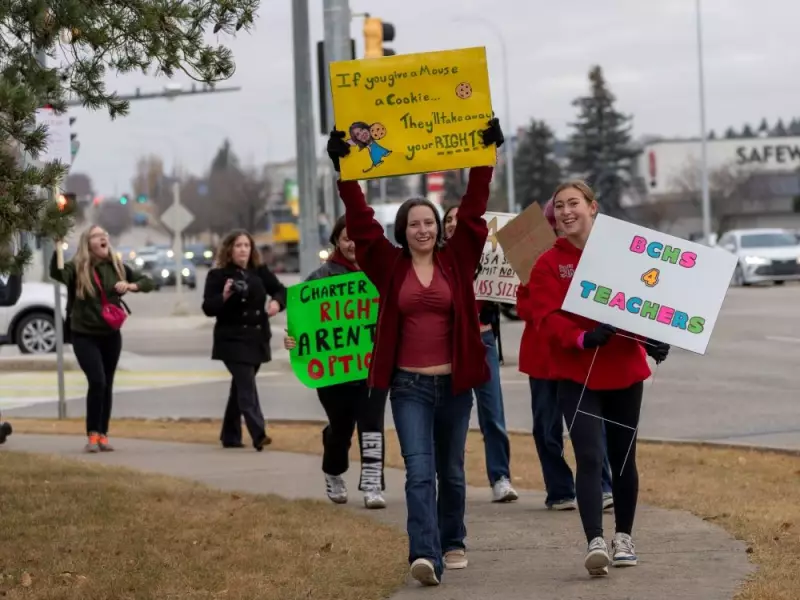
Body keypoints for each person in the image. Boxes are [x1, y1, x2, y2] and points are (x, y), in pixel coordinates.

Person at [326, 118, 504, 587]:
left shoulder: (458, 257)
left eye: (429, 222)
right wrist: (345, 169)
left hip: (455, 385)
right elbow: (361, 223)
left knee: (451, 470)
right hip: (408, 386)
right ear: (402, 230)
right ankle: (424, 555)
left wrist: (483, 160)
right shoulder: (387, 265)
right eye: (414, 224)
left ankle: (454, 539)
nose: (423, 229)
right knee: (419, 473)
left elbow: (472, 211)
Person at [527, 181, 670, 577]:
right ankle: (595, 540)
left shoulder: (621, 256)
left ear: (593, 207)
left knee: (623, 458)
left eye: (574, 203)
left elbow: (641, 302)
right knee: (589, 455)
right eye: (559, 206)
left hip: (624, 370)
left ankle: (623, 536)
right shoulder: (547, 263)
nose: (566, 211)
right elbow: (546, 316)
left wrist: (653, 337)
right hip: (577, 374)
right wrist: (581, 337)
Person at [517, 199, 615, 512]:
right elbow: (524, 306)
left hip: (577, 354)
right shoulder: (535, 262)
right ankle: (559, 489)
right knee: (546, 427)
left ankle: (603, 485)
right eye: (550, 222)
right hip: (541, 358)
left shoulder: (588, 256)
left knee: (589, 425)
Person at [284, 216, 387, 509]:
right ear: (337, 242)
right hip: (334, 373)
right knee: (341, 428)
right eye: (346, 238)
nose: (352, 243)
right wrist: (293, 341)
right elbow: (301, 323)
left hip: (371, 367)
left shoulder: (380, 274)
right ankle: (333, 471)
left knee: (372, 426)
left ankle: (372, 485)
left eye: (357, 237)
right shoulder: (320, 279)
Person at [50, 225, 155, 452]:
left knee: (107, 384)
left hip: (111, 335)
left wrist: (130, 285)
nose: (103, 238)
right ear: (88, 243)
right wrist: (57, 247)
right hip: (84, 335)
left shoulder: (117, 266)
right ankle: (92, 435)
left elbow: (149, 282)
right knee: (97, 380)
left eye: (105, 235)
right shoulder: (77, 268)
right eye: (98, 236)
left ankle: (103, 435)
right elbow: (57, 273)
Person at [443, 205, 518, 503]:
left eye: (459, 220)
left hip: (482, 338)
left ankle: (500, 477)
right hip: (446, 343)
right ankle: (448, 477)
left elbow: (515, 301)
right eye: (447, 220)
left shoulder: (493, 257)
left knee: (493, 414)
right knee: (449, 415)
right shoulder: (433, 260)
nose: (452, 224)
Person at [203, 229, 287, 452]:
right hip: (232, 340)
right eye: (238, 245)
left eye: (247, 245)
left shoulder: (258, 272)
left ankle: (230, 435)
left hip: (257, 337)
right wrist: (224, 295)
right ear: (229, 249)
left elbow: (280, 290)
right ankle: (258, 433)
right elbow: (208, 308)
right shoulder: (218, 275)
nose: (243, 250)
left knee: (239, 388)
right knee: (247, 386)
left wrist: (276, 303)